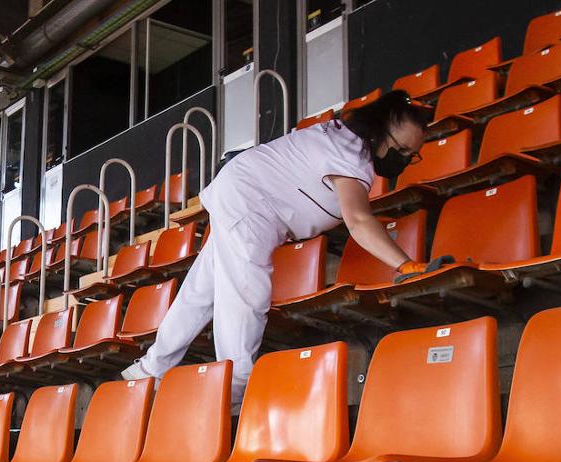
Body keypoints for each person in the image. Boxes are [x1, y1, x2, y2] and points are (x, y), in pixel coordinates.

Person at [123, 90, 445, 409]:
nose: (403, 158)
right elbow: (359, 220)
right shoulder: (350, 155)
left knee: (201, 290)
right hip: (251, 202)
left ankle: (150, 369)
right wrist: (404, 265)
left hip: (243, 192)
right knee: (246, 292)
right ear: (380, 128)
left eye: (411, 154)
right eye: (400, 148)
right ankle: (237, 389)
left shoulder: (347, 141)